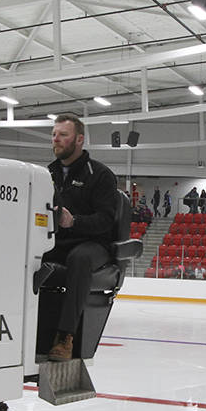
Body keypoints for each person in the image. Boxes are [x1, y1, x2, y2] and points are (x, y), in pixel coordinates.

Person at [41, 112, 121, 361]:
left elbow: (106, 220)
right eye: (54, 135)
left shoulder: (99, 175)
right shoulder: (47, 175)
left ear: (79, 140)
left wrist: (73, 221)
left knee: (80, 259)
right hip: (57, 242)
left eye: (63, 135)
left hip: (93, 244)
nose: (56, 139)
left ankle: (65, 337)